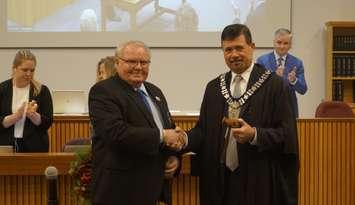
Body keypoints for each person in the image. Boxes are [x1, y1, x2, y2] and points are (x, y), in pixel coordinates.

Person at [184, 24, 299, 205]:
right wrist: (182, 138)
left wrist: (255, 134)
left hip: (258, 179)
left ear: (252, 47)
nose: (234, 54)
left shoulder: (275, 86)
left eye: (239, 48)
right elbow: (203, 131)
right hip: (219, 180)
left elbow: (287, 134)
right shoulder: (214, 87)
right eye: (228, 49)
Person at [89, 41, 185, 205]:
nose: (138, 67)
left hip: (154, 189)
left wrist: (173, 156)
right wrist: (162, 136)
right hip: (119, 191)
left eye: (144, 62)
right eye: (132, 61)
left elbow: (169, 129)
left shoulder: (155, 91)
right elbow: (116, 133)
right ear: (117, 62)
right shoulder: (104, 91)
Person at [0, 49, 53, 152]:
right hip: (6, 146)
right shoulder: (2, 89)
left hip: (35, 147)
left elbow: (47, 122)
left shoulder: (42, 91)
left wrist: (33, 115)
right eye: (25, 70)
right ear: (14, 68)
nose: (29, 74)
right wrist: (17, 116)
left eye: (32, 70)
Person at [257, 28, 308, 117]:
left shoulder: (297, 63)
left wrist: (294, 80)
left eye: (285, 43)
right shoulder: (262, 61)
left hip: (289, 110)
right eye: (279, 42)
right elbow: (257, 88)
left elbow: (303, 89)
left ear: (290, 45)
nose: (282, 46)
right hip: (268, 110)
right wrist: (273, 78)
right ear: (274, 42)